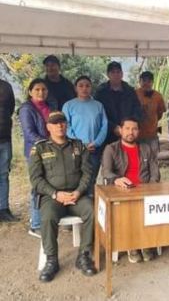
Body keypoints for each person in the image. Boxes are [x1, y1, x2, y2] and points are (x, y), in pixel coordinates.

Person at [29, 111, 97, 282]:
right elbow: (36, 179)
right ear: (48, 127)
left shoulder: (78, 146)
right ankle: (51, 260)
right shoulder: (40, 148)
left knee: (93, 211)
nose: (59, 125)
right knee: (47, 217)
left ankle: (84, 256)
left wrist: (78, 192)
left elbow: (87, 173)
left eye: (62, 122)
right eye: (54, 123)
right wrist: (55, 194)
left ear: (66, 125)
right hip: (52, 197)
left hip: (77, 195)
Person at [102, 117, 160, 263]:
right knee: (130, 210)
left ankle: (146, 243)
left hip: (144, 189)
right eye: (127, 128)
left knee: (151, 207)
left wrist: (151, 188)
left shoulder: (146, 148)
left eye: (134, 129)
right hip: (123, 191)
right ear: (120, 130)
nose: (130, 132)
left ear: (138, 132)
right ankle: (132, 245)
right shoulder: (111, 149)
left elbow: (155, 173)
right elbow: (106, 172)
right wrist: (116, 179)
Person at [19, 78, 58, 237]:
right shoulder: (26, 109)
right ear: (30, 92)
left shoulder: (50, 106)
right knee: (38, 186)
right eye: (37, 90)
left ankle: (45, 220)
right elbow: (29, 133)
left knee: (49, 184)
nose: (41, 92)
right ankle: (35, 225)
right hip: (35, 152)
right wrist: (48, 144)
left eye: (43, 89)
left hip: (50, 151)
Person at [62, 76, 108, 197]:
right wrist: (81, 144)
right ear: (75, 88)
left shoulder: (98, 105)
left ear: (91, 88)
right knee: (75, 179)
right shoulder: (68, 105)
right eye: (81, 86)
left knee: (91, 179)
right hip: (75, 149)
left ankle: (90, 205)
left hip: (94, 149)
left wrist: (96, 143)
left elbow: (104, 126)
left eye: (87, 85)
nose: (84, 88)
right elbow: (66, 126)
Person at [95, 61, 143, 145]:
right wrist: (113, 127)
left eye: (118, 72)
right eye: (113, 72)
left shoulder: (130, 91)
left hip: (128, 133)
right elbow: (97, 113)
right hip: (106, 134)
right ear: (108, 74)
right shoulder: (101, 92)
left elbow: (137, 110)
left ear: (122, 74)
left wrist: (128, 126)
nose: (116, 75)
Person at [135, 71, 166, 154]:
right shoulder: (134, 94)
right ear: (140, 81)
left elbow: (160, 113)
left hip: (152, 135)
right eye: (144, 81)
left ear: (152, 82)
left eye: (149, 81)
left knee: (153, 160)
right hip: (137, 135)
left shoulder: (158, 96)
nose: (146, 83)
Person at [0, 77, 16, 222]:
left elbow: (10, 108)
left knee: (3, 174)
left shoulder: (6, 86)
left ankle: (3, 209)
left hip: (4, 137)